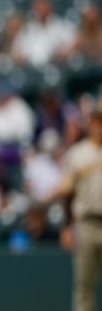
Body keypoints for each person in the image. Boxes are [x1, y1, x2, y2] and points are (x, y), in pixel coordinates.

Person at [55, 105, 102, 311]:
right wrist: (67, 226)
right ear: (90, 124)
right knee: (84, 285)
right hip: (87, 223)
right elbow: (67, 193)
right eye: (97, 122)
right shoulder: (77, 153)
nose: (99, 127)